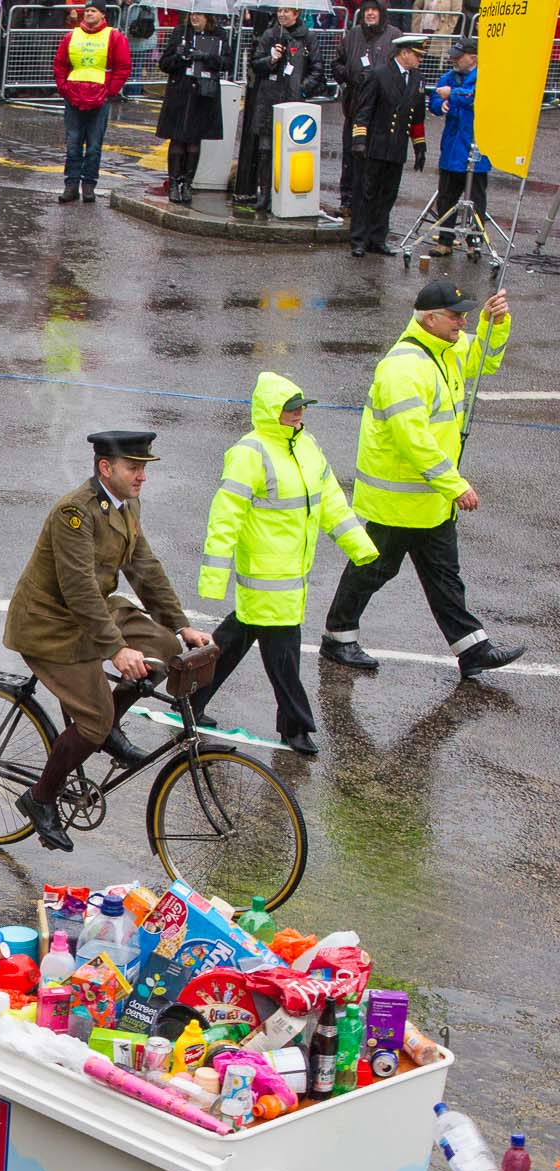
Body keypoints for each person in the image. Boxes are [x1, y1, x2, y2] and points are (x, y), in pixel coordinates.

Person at [4, 431, 213, 850]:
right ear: (106, 468)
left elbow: (144, 566)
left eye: (144, 468)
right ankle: (41, 798)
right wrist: (116, 649)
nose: (142, 477)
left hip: (94, 611)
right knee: (93, 720)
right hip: (50, 624)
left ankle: (107, 726)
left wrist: (180, 625)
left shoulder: (125, 504)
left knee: (166, 650)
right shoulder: (74, 514)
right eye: (134, 468)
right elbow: (79, 588)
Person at [322, 281, 521, 679]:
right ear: (430, 318)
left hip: (428, 500)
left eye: (465, 315)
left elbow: (485, 363)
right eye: (456, 316)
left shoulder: (446, 350)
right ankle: (338, 638)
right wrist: (455, 485)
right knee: (373, 569)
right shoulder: (404, 367)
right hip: (399, 501)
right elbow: (413, 439)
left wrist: (494, 323)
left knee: (444, 576)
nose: (462, 322)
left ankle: (472, 648)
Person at [190, 374, 378, 754]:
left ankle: (192, 698)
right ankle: (295, 726)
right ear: (270, 411)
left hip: (293, 575)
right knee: (283, 652)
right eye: (291, 409)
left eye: (301, 408)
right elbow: (224, 517)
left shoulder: (307, 446)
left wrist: (361, 546)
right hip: (264, 575)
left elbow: (331, 503)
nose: (298, 415)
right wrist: (213, 578)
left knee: (235, 637)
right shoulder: (249, 453)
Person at [347, 33, 427, 256]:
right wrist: (359, 141)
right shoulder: (378, 74)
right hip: (375, 145)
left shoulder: (417, 79)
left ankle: (377, 238)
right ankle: (359, 239)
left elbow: (416, 116)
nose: (420, 60)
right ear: (404, 53)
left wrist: (419, 146)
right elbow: (363, 111)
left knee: (387, 195)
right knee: (366, 194)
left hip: (396, 147)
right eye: (417, 55)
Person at [233, 5, 317, 215]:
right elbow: (255, 65)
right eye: (280, 11)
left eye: (287, 11)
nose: (282, 14)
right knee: (265, 149)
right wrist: (271, 59)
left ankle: (285, 195)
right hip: (268, 100)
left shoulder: (307, 37)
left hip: (293, 102)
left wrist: (301, 89)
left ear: (296, 13)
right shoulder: (269, 35)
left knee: (289, 152)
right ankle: (265, 194)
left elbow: (317, 69)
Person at [52, 1, 128, 204]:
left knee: (94, 146)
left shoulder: (114, 36)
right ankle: (71, 186)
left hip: (99, 99)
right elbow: (60, 64)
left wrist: (108, 92)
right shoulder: (72, 35)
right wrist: (64, 88)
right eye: (86, 11)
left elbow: (123, 67)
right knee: (73, 145)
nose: (88, 14)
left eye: (93, 11)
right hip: (74, 97)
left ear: (103, 15)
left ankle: (88, 186)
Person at [333, 0, 400, 219]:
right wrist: (349, 74)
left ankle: (370, 204)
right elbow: (337, 64)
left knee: (374, 160)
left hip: (380, 112)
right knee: (350, 155)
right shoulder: (352, 35)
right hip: (354, 107)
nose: (370, 14)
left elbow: (398, 69)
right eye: (367, 10)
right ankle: (348, 201)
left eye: (374, 10)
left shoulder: (394, 35)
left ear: (382, 13)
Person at [153, 8, 227, 204]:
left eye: (199, 14)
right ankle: (174, 183)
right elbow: (164, 63)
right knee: (177, 139)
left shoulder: (219, 34)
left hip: (203, 93)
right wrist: (179, 56)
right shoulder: (180, 32)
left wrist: (204, 56)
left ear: (208, 17)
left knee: (194, 140)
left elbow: (226, 62)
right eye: (192, 13)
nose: (194, 17)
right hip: (180, 92)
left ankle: (187, 184)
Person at [427, 38, 487, 257]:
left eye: (458, 56)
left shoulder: (483, 77)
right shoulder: (449, 76)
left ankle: (475, 243)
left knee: (476, 200)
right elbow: (434, 99)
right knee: (446, 196)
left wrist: (450, 94)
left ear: (473, 57)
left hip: (475, 147)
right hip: (452, 147)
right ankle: (445, 240)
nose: (453, 60)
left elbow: (475, 97)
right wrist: (438, 105)